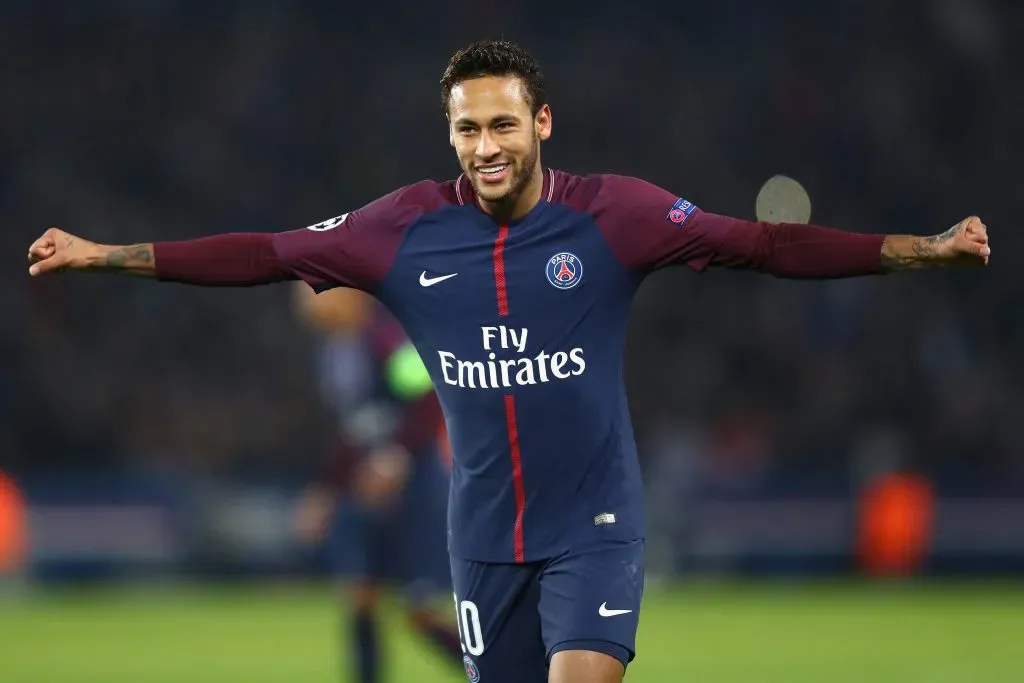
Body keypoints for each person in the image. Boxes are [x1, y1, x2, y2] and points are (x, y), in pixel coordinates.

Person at [26, 39, 989, 683]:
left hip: (595, 522)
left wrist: (918, 247)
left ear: (541, 124)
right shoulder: (399, 229)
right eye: (466, 128)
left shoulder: (618, 214)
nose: (484, 146)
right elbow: (264, 254)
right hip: (482, 539)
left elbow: (766, 246)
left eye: (500, 124)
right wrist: (109, 256)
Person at [291, 283, 461, 682]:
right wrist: (326, 490)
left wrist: (397, 454)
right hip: (365, 493)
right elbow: (352, 433)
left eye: (312, 289)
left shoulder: (388, 339)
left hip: (415, 489)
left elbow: (428, 399)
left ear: (348, 293)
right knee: (359, 595)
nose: (303, 301)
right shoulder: (334, 352)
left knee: (422, 610)